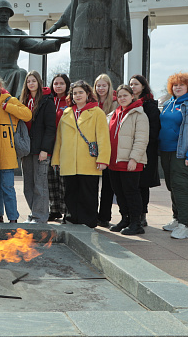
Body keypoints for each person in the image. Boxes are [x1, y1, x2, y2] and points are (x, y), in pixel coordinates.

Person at [0, 0, 66, 97]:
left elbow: (37, 47)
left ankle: (20, 102)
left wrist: (58, 41)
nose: (4, 14)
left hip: (12, 72)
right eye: (1, 11)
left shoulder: (17, 34)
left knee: (21, 72)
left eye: (6, 11)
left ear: (10, 14)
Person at [51, 80, 111, 228]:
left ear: (88, 94)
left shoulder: (97, 112)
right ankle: (71, 220)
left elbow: (103, 138)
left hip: (89, 161)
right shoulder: (66, 113)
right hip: (68, 161)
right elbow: (59, 139)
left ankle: (88, 222)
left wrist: (103, 159)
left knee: (88, 193)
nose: (77, 95)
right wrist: (56, 160)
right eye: (75, 93)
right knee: (70, 193)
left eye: (80, 92)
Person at [159, 72, 188, 239]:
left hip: (183, 153)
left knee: (181, 186)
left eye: (182, 85)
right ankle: (177, 218)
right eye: (175, 85)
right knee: (172, 186)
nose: (178, 87)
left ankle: (185, 225)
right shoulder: (168, 104)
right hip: (166, 152)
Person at [0, 73, 31, 223]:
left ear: (0, 86)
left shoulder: (10, 100)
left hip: (7, 152)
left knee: (8, 187)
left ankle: (13, 218)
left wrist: (7, 107)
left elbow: (27, 115)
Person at [107, 85, 149, 235]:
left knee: (131, 193)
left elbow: (141, 139)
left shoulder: (139, 114)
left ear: (132, 96)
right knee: (119, 193)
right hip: (114, 161)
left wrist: (134, 158)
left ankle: (136, 223)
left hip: (130, 162)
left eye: (125, 95)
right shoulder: (114, 114)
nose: (122, 98)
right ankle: (125, 219)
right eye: (119, 96)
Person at [19, 70, 56, 223]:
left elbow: (50, 128)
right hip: (27, 149)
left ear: (39, 82)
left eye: (34, 81)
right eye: (28, 81)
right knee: (28, 185)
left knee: (40, 185)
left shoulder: (47, 101)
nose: (31, 84)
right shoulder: (23, 101)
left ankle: (40, 217)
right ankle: (34, 213)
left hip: (40, 150)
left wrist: (45, 150)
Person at [129, 74, 161, 226]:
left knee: (142, 184)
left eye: (136, 84)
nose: (133, 87)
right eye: (131, 84)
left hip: (146, 150)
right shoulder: (128, 103)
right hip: (130, 149)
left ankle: (142, 215)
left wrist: (140, 144)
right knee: (132, 184)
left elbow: (154, 131)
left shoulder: (150, 106)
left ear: (143, 86)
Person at [94, 73, 118, 228]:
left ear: (109, 87)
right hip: (92, 147)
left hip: (109, 147)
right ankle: (92, 214)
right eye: (98, 85)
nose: (101, 88)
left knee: (108, 185)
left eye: (104, 85)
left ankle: (104, 216)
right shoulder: (91, 102)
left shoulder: (115, 103)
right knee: (92, 184)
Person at [48, 73, 71, 222]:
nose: (58, 86)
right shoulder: (50, 100)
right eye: (56, 83)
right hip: (50, 144)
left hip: (65, 145)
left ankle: (66, 211)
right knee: (51, 179)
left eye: (61, 83)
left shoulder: (70, 101)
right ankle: (54, 209)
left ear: (67, 85)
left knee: (64, 180)